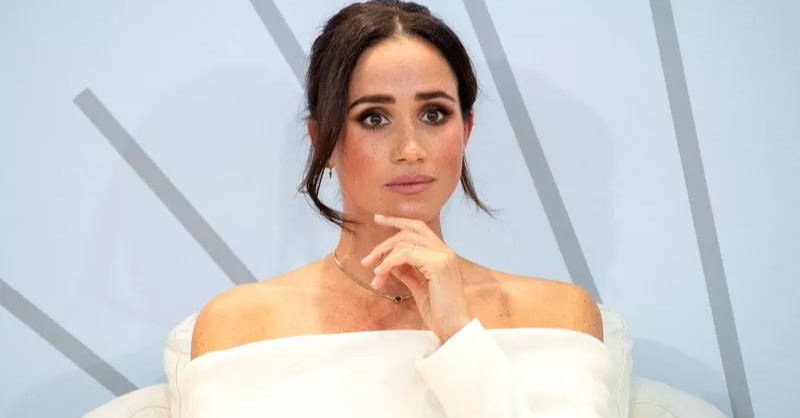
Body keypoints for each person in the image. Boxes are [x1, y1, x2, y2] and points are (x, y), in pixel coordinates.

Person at [183, 1, 613, 417]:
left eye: (434, 114)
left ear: (466, 129)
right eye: (374, 118)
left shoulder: (560, 317)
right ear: (323, 140)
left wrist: (459, 335)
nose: (410, 149)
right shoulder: (239, 327)